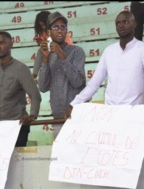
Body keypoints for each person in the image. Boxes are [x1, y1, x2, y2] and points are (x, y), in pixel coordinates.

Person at [65, 11, 144, 119]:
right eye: (118, 23)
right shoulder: (109, 51)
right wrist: (74, 103)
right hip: (109, 114)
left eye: (125, 22)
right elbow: (94, 84)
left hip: (132, 114)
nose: (121, 25)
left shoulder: (141, 49)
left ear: (134, 24)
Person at [38, 11, 86, 139]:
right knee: (61, 157)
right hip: (58, 118)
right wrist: (45, 60)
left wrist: (62, 56)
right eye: (55, 27)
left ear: (66, 31)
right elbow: (42, 87)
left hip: (77, 116)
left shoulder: (77, 51)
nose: (59, 30)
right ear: (49, 32)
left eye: (62, 27)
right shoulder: (45, 53)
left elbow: (78, 82)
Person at [32, 11, 73, 80]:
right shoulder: (43, 32)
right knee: (41, 51)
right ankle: (35, 75)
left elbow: (67, 44)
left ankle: (35, 75)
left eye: (44, 25)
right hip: (52, 52)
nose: (43, 27)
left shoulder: (57, 30)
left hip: (64, 51)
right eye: (41, 26)